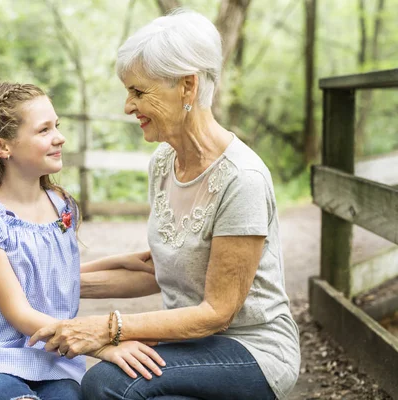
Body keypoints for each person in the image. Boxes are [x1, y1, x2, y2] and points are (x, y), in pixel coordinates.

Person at [29, 10, 300, 400]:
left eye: (138, 92)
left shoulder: (243, 179)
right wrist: (41, 281)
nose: (127, 106)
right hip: (189, 344)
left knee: (108, 384)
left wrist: (108, 328)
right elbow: (157, 271)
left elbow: (218, 312)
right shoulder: (163, 162)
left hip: (250, 349)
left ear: (187, 87)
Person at [0, 82, 164, 400]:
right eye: (44, 130)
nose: (60, 137)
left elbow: (46, 273)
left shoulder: (61, 204)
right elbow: (19, 312)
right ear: (3, 147)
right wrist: (102, 344)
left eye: (57, 125)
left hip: (55, 365)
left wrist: (117, 262)